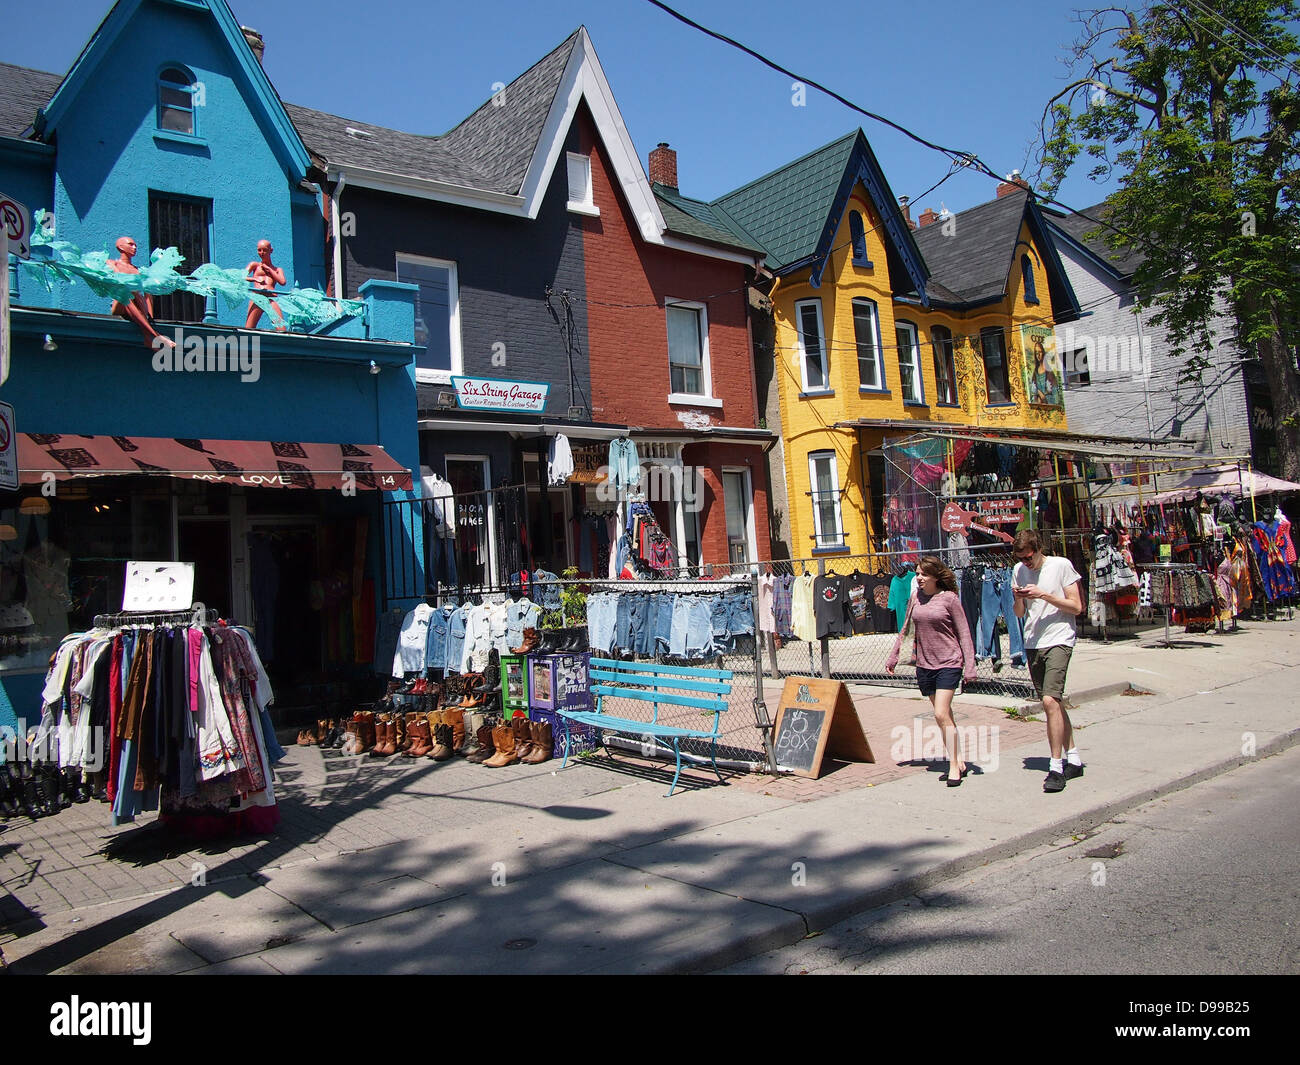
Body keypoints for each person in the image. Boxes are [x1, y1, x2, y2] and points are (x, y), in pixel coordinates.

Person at [885, 556, 977, 787]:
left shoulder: (949, 599)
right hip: (925, 665)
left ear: (936, 576)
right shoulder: (916, 597)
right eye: (917, 574)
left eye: (924, 574)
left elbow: (964, 632)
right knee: (945, 715)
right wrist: (894, 656)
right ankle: (959, 760)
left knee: (940, 714)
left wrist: (970, 666)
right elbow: (905, 627)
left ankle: (954, 766)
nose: (919, 578)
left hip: (949, 661)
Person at [1011, 530, 1085, 792]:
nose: (1026, 563)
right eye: (1021, 559)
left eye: (1029, 557)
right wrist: (1019, 597)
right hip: (1033, 641)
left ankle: (1056, 767)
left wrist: (1044, 595)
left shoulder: (1061, 565)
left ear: (1038, 548)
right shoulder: (1019, 570)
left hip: (1060, 638)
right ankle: (1074, 758)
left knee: (1049, 700)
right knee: (1053, 703)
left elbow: (1076, 607)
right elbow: (1019, 613)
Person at [108, 236, 174, 348]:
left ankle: (148, 337)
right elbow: (120, 282)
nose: (134, 247)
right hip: (119, 304)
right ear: (120, 247)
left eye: (135, 245)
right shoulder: (112, 263)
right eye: (130, 244)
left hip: (136, 306)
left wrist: (149, 317)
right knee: (127, 291)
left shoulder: (138, 270)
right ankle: (155, 335)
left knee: (137, 292)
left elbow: (147, 294)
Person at [245, 239, 287, 330]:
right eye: (259, 250)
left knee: (281, 329)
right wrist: (254, 279)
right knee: (248, 328)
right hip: (257, 298)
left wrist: (269, 269)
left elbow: (282, 282)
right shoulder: (255, 265)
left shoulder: (277, 269)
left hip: (271, 298)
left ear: (270, 250)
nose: (262, 252)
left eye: (264, 250)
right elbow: (241, 276)